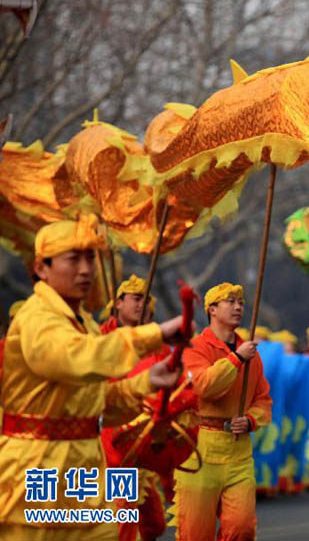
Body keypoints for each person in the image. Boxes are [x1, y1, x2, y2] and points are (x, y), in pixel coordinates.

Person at [0, 215, 185, 541]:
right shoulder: (37, 319)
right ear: (41, 268)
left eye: (90, 257)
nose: (86, 269)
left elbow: (97, 401)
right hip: (37, 469)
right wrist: (156, 334)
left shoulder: (82, 320)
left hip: (85, 467)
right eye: (73, 258)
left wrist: (147, 382)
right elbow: (77, 358)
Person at [174, 282, 272, 541]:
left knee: (242, 528)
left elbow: (263, 400)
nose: (238, 307)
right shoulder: (195, 347)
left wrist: (251, 420)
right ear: (212, 309)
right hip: (199, 451)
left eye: (241, 302)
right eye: (230, 301)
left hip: (239, 453)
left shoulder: (252, 355)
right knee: (196, 532)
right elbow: (204, 386)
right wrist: (236, 359)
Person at [99, 274, 186, 541]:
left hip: (145, 437)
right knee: (124, 512)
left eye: (147, 299)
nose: (143, 305)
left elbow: (173, 385)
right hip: (111, 439)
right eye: (137, 298)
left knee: (155, 525)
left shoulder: (157, 345)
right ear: (118, 303)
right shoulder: (100, 338)